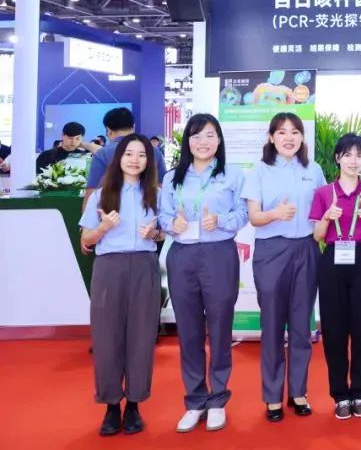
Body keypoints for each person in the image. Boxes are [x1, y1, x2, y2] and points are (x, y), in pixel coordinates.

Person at [159, 114, 248, 433]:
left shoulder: (232, 175)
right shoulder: (172, 177)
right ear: (187, 141)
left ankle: (218, 400)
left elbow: (243, 213)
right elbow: (162, 215)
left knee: (220, 327)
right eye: (196, 136)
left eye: (210, 135)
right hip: (182, 255)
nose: (203, 142)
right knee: (189, 330)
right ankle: (195, 401)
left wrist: (220, 221)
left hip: (218, 254)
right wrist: (173, 224)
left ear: (219, 140)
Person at [242, 112, 325, 422]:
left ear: (302, 137)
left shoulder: (313, 170)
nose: (289, 137)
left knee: (302, 326)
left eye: (295, 132)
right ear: (271, 137)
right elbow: (254, 217)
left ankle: (299, 392)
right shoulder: (259, 171)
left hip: (306, 249)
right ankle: (273, 396)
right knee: (273, 325)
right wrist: (275, 214)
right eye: (282, 132)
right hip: (271, 252)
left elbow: (322, 211)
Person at [78, 134, 163, 436]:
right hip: (109, 268)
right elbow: (86, 239)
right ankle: (111, 405)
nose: (135, 160)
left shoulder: (156, 194)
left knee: (142, 337)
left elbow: (164, 233)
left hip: (144, 267)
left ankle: (134, 405)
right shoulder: (102, 195)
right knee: (107, 337)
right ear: (119, 158)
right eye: (129, 154)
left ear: (149, 161)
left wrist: (154, 234)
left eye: (142, 155)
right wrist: (103, 227)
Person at [310, 134, 361, 421]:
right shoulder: (324, 193)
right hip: (332, 260)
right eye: (348, 155)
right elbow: (317, 235)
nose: (354, 161)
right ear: (338, 158)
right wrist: (327, 217)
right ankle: (340, 395)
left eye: (359, 155)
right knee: (334, 329)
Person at [85, 107, 167, 211]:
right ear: (133, 127)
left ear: (108, 131)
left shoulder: (103, 154)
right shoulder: (154, 151)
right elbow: (162, 186)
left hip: (112, 213)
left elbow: (92, 191)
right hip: (147, 212)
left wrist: (87, 218)